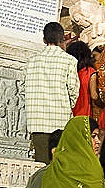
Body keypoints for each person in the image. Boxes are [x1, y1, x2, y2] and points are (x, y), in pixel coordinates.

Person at [24, 22, 80, 162]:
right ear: (62, 39)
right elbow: (73, 90)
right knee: (59, 165)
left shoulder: (31, 62)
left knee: (41, 165)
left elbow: (23, 90)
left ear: (44, 39)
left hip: (37, 122)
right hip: (60, 121)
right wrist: (68, 106)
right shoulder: (69, 61)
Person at [66, 40, 100, 118]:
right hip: (85, 114)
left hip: (70, 113)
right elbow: (94, 96)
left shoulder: (70, 71)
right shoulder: (90, 72)